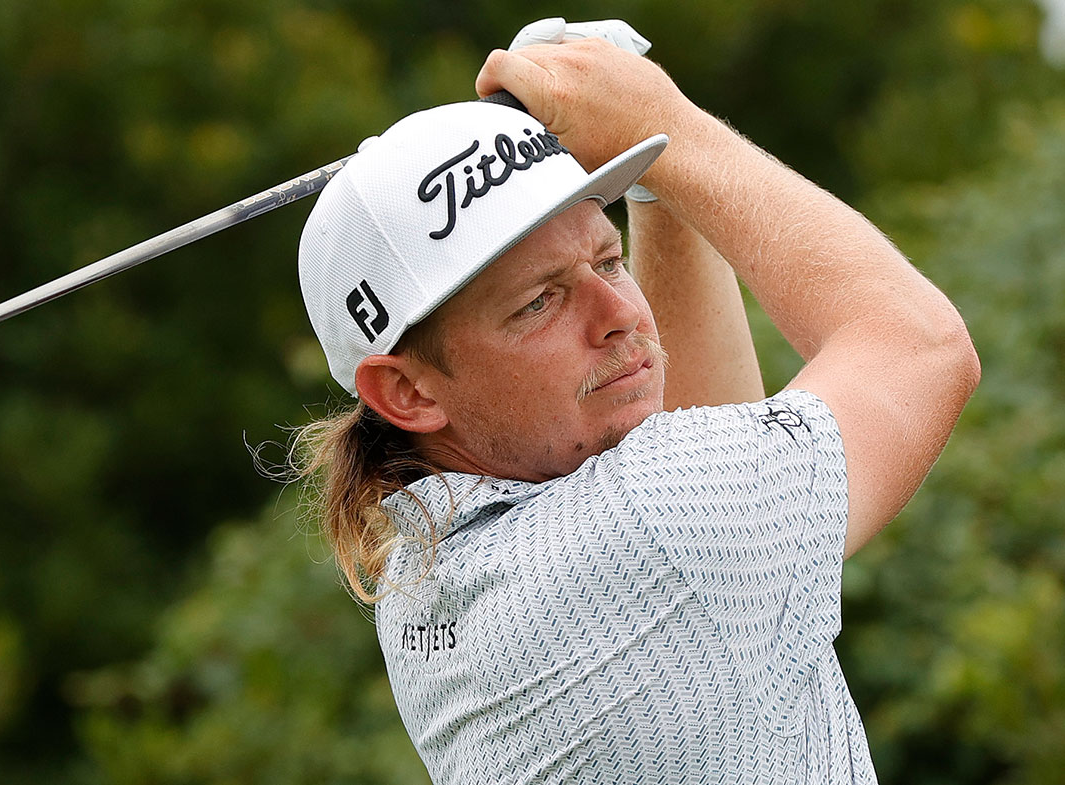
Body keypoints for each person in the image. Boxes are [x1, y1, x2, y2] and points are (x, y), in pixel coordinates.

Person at [291, 18, 979, 785]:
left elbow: (692, 442)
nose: (617, 311)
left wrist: (652, 179)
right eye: (537, 303)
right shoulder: (645, 530)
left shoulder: (422, 564)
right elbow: (920, 345)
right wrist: (667, 122)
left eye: (608, 258)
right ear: (407, 390)